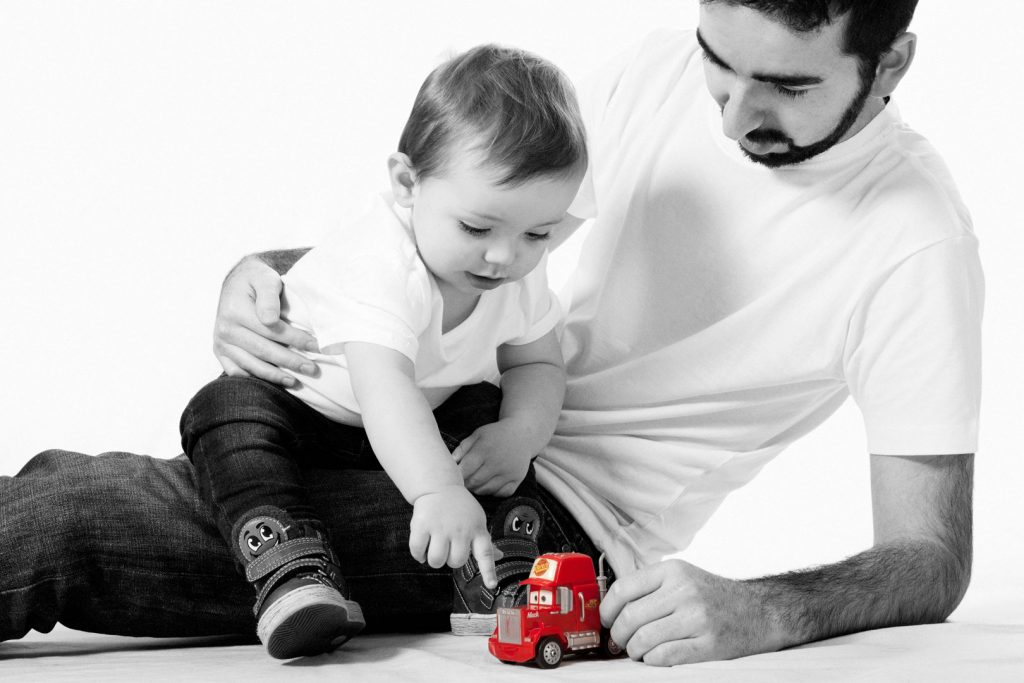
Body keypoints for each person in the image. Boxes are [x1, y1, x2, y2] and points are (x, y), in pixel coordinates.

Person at [0, 0, 982, 668]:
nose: (731, 114)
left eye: (788, 88)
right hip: (454, 409)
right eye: (717, 63)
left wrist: (762, 609)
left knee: (77, 519)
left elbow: (930, 557)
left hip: (550, 527)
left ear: (890, 62)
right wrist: (264, 275)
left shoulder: (914, 242)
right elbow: (479, 222)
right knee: (106, 473)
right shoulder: (661, 73)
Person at [178, 44, 586, 659]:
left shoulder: (519, 273)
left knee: (486, 409)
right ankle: (290, 566)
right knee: (225, 410)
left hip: (411, 420)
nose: (505, 256)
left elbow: (538, 363)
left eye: (538, 233)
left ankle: (499, 571)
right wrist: (436, 491)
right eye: (477, 228)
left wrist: (520, 435)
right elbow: (384, 386)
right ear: (407, 183)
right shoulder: (381, 261)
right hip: (306, 405)